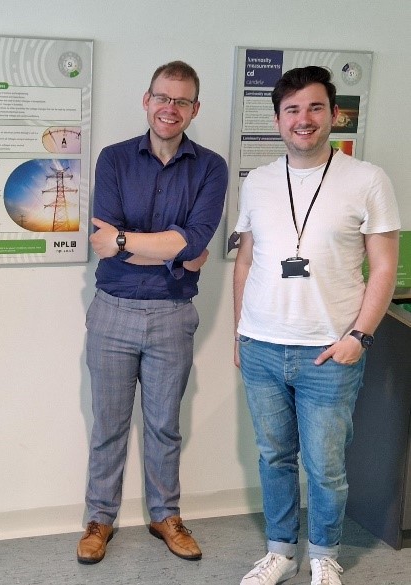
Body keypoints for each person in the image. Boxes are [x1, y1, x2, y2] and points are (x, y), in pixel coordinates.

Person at [233, 66, 400, 585]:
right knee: (274, 457)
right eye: (292, 110)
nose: (303, 119)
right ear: (277, 120)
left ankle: (324, 554)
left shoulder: (367, 179)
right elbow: (245, 262)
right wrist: (240, 334)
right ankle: (281, 551)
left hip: (329, 350)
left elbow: (385, 266)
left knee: (326, 466)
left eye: (314, 108)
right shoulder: (258, 182)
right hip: (261, 345)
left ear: (334, 114)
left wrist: (360, 337)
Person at [77, 61, 227, 564]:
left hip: (172, 313)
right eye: (163, 97)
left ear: (194, 109)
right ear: (147, 100)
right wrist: (174, 250)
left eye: (181, 101)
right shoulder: (114, 159)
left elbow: (196, 242)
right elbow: (105, 242)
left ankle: (166, 515)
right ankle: (99, 519)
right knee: (109, 424)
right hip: (113, 311)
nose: (170, 108)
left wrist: (127, 241)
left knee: (165, 425)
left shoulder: (211, 168)